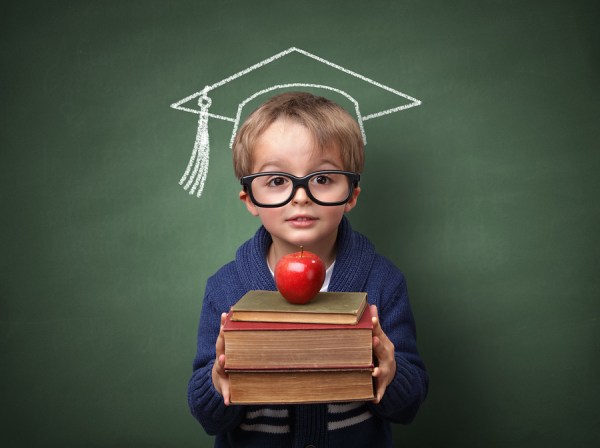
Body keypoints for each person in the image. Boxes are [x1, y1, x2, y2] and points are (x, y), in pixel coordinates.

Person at [188, 92, 428, 447]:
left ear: (351, 194)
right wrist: (218, 381)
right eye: (276, 181)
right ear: (250, 199)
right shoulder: (226, 288)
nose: (301, 196)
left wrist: (389, 374)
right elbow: (208, 417)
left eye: (322, 179)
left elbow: (407, 407)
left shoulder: (382, 282)